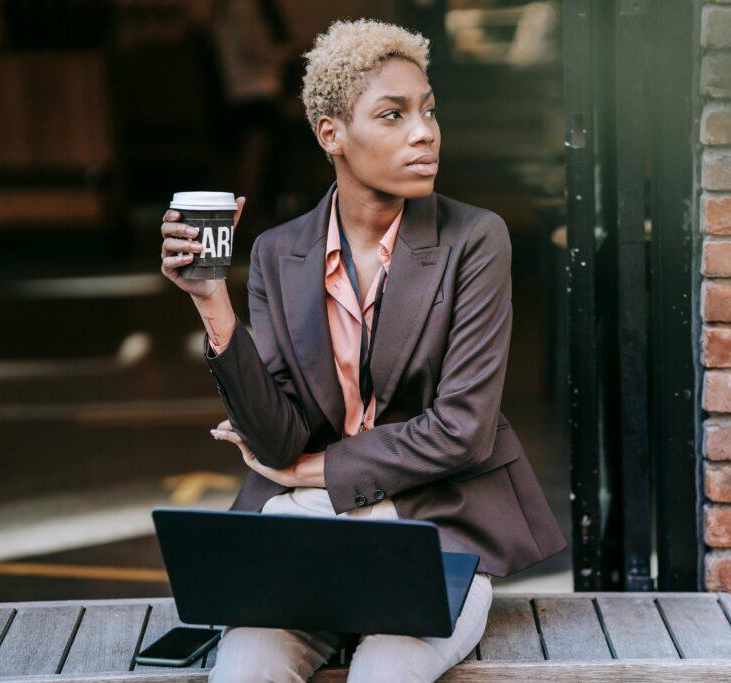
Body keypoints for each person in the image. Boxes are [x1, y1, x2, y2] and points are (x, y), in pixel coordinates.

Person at [159, 17, 567, 683]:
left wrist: (310, 471)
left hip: (435, 525)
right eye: (393, 114)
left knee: (386, 671)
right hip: (309, 529)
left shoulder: (475, 240)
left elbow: (461, 430)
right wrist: (212, 303)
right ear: (332, 135)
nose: (424, 131)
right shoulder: (276, 254)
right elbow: (278, 434)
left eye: (428, 110)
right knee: (242, 669)